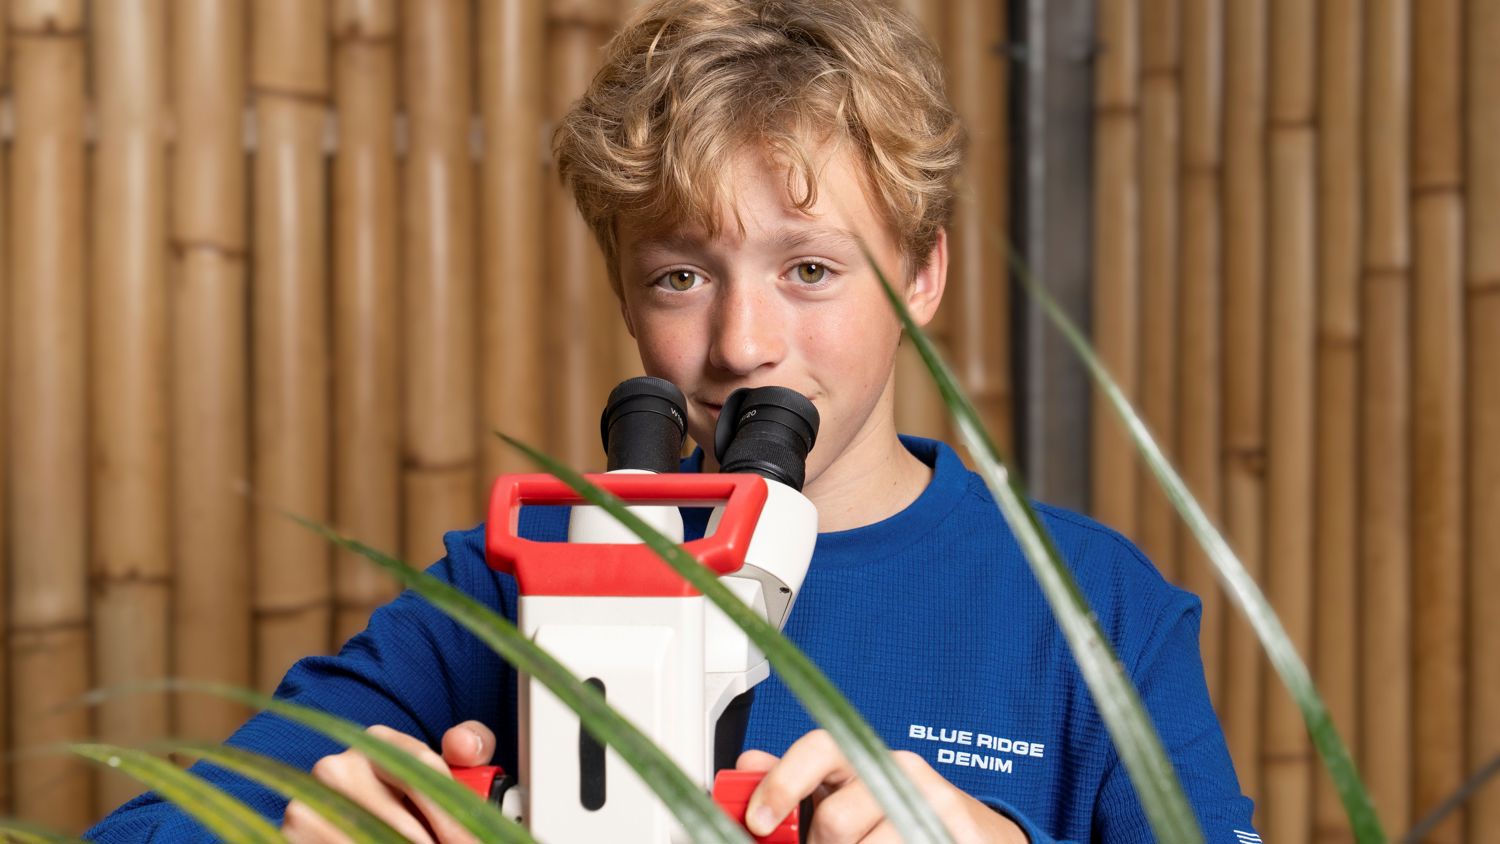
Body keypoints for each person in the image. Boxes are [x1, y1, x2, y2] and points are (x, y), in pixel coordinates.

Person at [88, 1, 1258, 841]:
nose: (743, 345)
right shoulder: (522, 584)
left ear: (921, 275)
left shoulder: (1095, 612)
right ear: (625, 296)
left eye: (809, 269)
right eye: (680, 279)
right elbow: (140, 827)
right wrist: (320, 817)